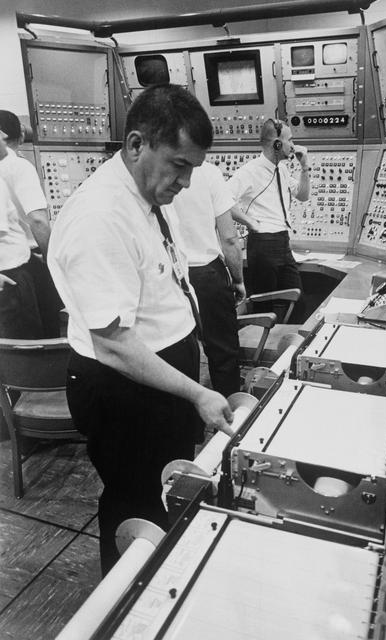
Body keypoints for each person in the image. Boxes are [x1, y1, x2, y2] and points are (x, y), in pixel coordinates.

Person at [47, 84, 234, 575]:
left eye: (193, 169)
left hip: (158, 381)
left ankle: (160, 583)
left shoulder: (143, 196)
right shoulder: (100, 216)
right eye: (179, 165)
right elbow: (114, 345)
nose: (186, 182)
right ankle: (129, 600)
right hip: (125, 390)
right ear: (136, 145)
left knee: (164, 493)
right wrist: (197, 392)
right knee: (135, 504)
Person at [172, 161, 245, 398]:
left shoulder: (155, 170)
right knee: (223, 352)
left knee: (178, 352)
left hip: (171, 274)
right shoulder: (209, 172)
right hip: (207, 273)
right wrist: (238, 280)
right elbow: (230, 238)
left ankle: (189, 414)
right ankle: (230, 411)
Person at [227, 118, 310, 320]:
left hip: (283, 242)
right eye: (290, 140)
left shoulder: (282, 169)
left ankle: (288, 340)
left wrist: (304, 167)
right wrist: (250, 222)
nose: (293, 145)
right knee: (264, 307)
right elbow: (223, 202)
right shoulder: (250, 171)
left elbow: (302, 195)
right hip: (263, 244)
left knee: (299, 303)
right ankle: (262, 340)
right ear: (277, 144)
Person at [0, 110, 61, 337]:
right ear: (22, 136)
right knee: (43, 331)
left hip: (10, 267)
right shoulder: (20, 166)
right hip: (27, 263)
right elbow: (38, 220)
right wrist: (52, 260)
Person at [0, 128, 46, 339]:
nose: (3, 136)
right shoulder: (19, 167)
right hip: (11, 278)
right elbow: (38, 220)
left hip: (12, 275)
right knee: (26, 347)